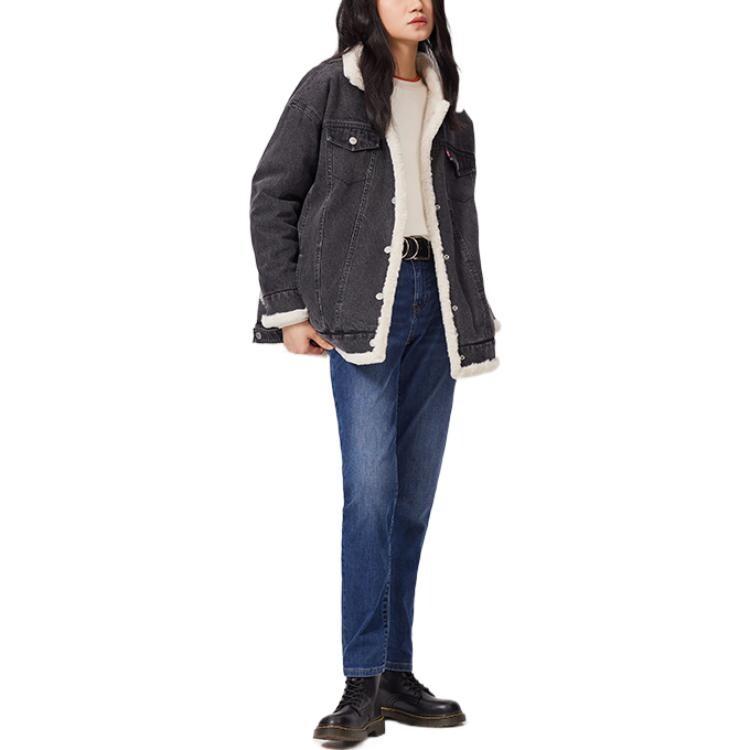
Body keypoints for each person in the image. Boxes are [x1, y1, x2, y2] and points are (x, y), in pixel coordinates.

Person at [249, 0, 500, 742]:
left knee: (411, 504)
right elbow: (273, 193)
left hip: (438, 310)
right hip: (365, 309)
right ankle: (360, 682)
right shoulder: (329, 87)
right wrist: (289, 309)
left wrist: (473, 317)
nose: (416, 1)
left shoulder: (449, 103)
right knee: (370, 497)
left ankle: (395, 673)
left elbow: (460, 226)